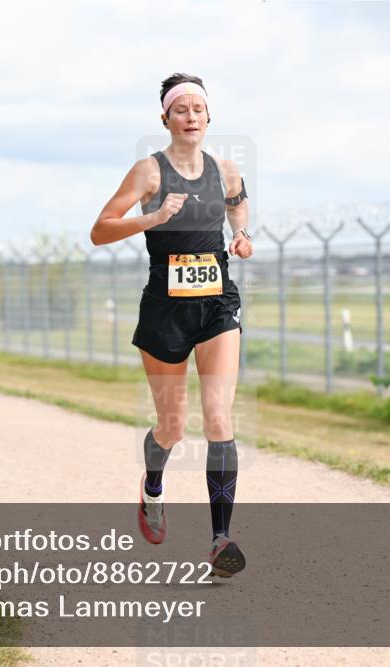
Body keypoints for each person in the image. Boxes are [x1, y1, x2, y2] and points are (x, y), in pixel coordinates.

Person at [90, 74, 253, 577]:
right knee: (173, 426)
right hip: (164, 304)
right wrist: (154, 217)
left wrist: (241, 234)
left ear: (209, 117)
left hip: (217, 303)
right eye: (180, 108)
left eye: (199, 107)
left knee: (220, 418)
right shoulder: (148, 171)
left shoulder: (226, 170)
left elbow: (237, 203)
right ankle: (153, 486)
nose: (191, 115)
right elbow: (100, 230)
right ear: (165, 118)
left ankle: (220, 539)